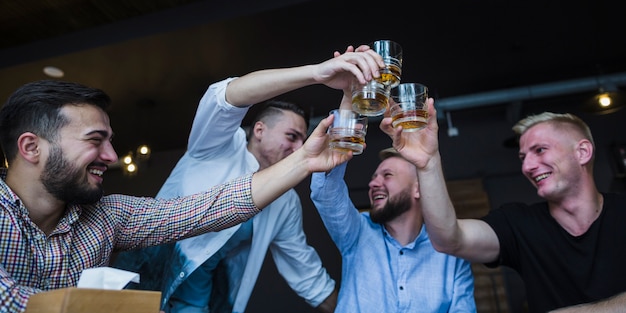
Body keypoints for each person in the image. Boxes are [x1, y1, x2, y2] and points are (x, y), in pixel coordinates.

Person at [0, 79, 356, 313]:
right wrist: (319, 71)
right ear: (31, 147)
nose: (110, 156)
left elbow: (205, 211)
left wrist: (306, 162)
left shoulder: (107, 216)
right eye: (96, 140)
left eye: (110, 141)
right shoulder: (220, 147)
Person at [113, 45, 385, 313]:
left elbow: (305, 272)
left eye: (303, 139)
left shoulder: (286, 202)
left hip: (201, 304)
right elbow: (226, 96)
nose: (299, 146)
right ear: (259, 130)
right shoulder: (217, 147)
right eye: (291, 136)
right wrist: (317, 73)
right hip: (143, 287)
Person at [380, 98, 626, 313]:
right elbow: (449, 239)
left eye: (539, 150)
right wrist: (428, 162)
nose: (527, 166)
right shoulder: (518, 223)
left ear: (582, 152)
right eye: (523, 157)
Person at [308, 92, 476, 313]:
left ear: (418, 188)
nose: (373, 183)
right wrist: (351, 95)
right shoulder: (357, 232)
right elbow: (326, 191)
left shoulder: (451, 255)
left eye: (387, 175)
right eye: (374, 177)